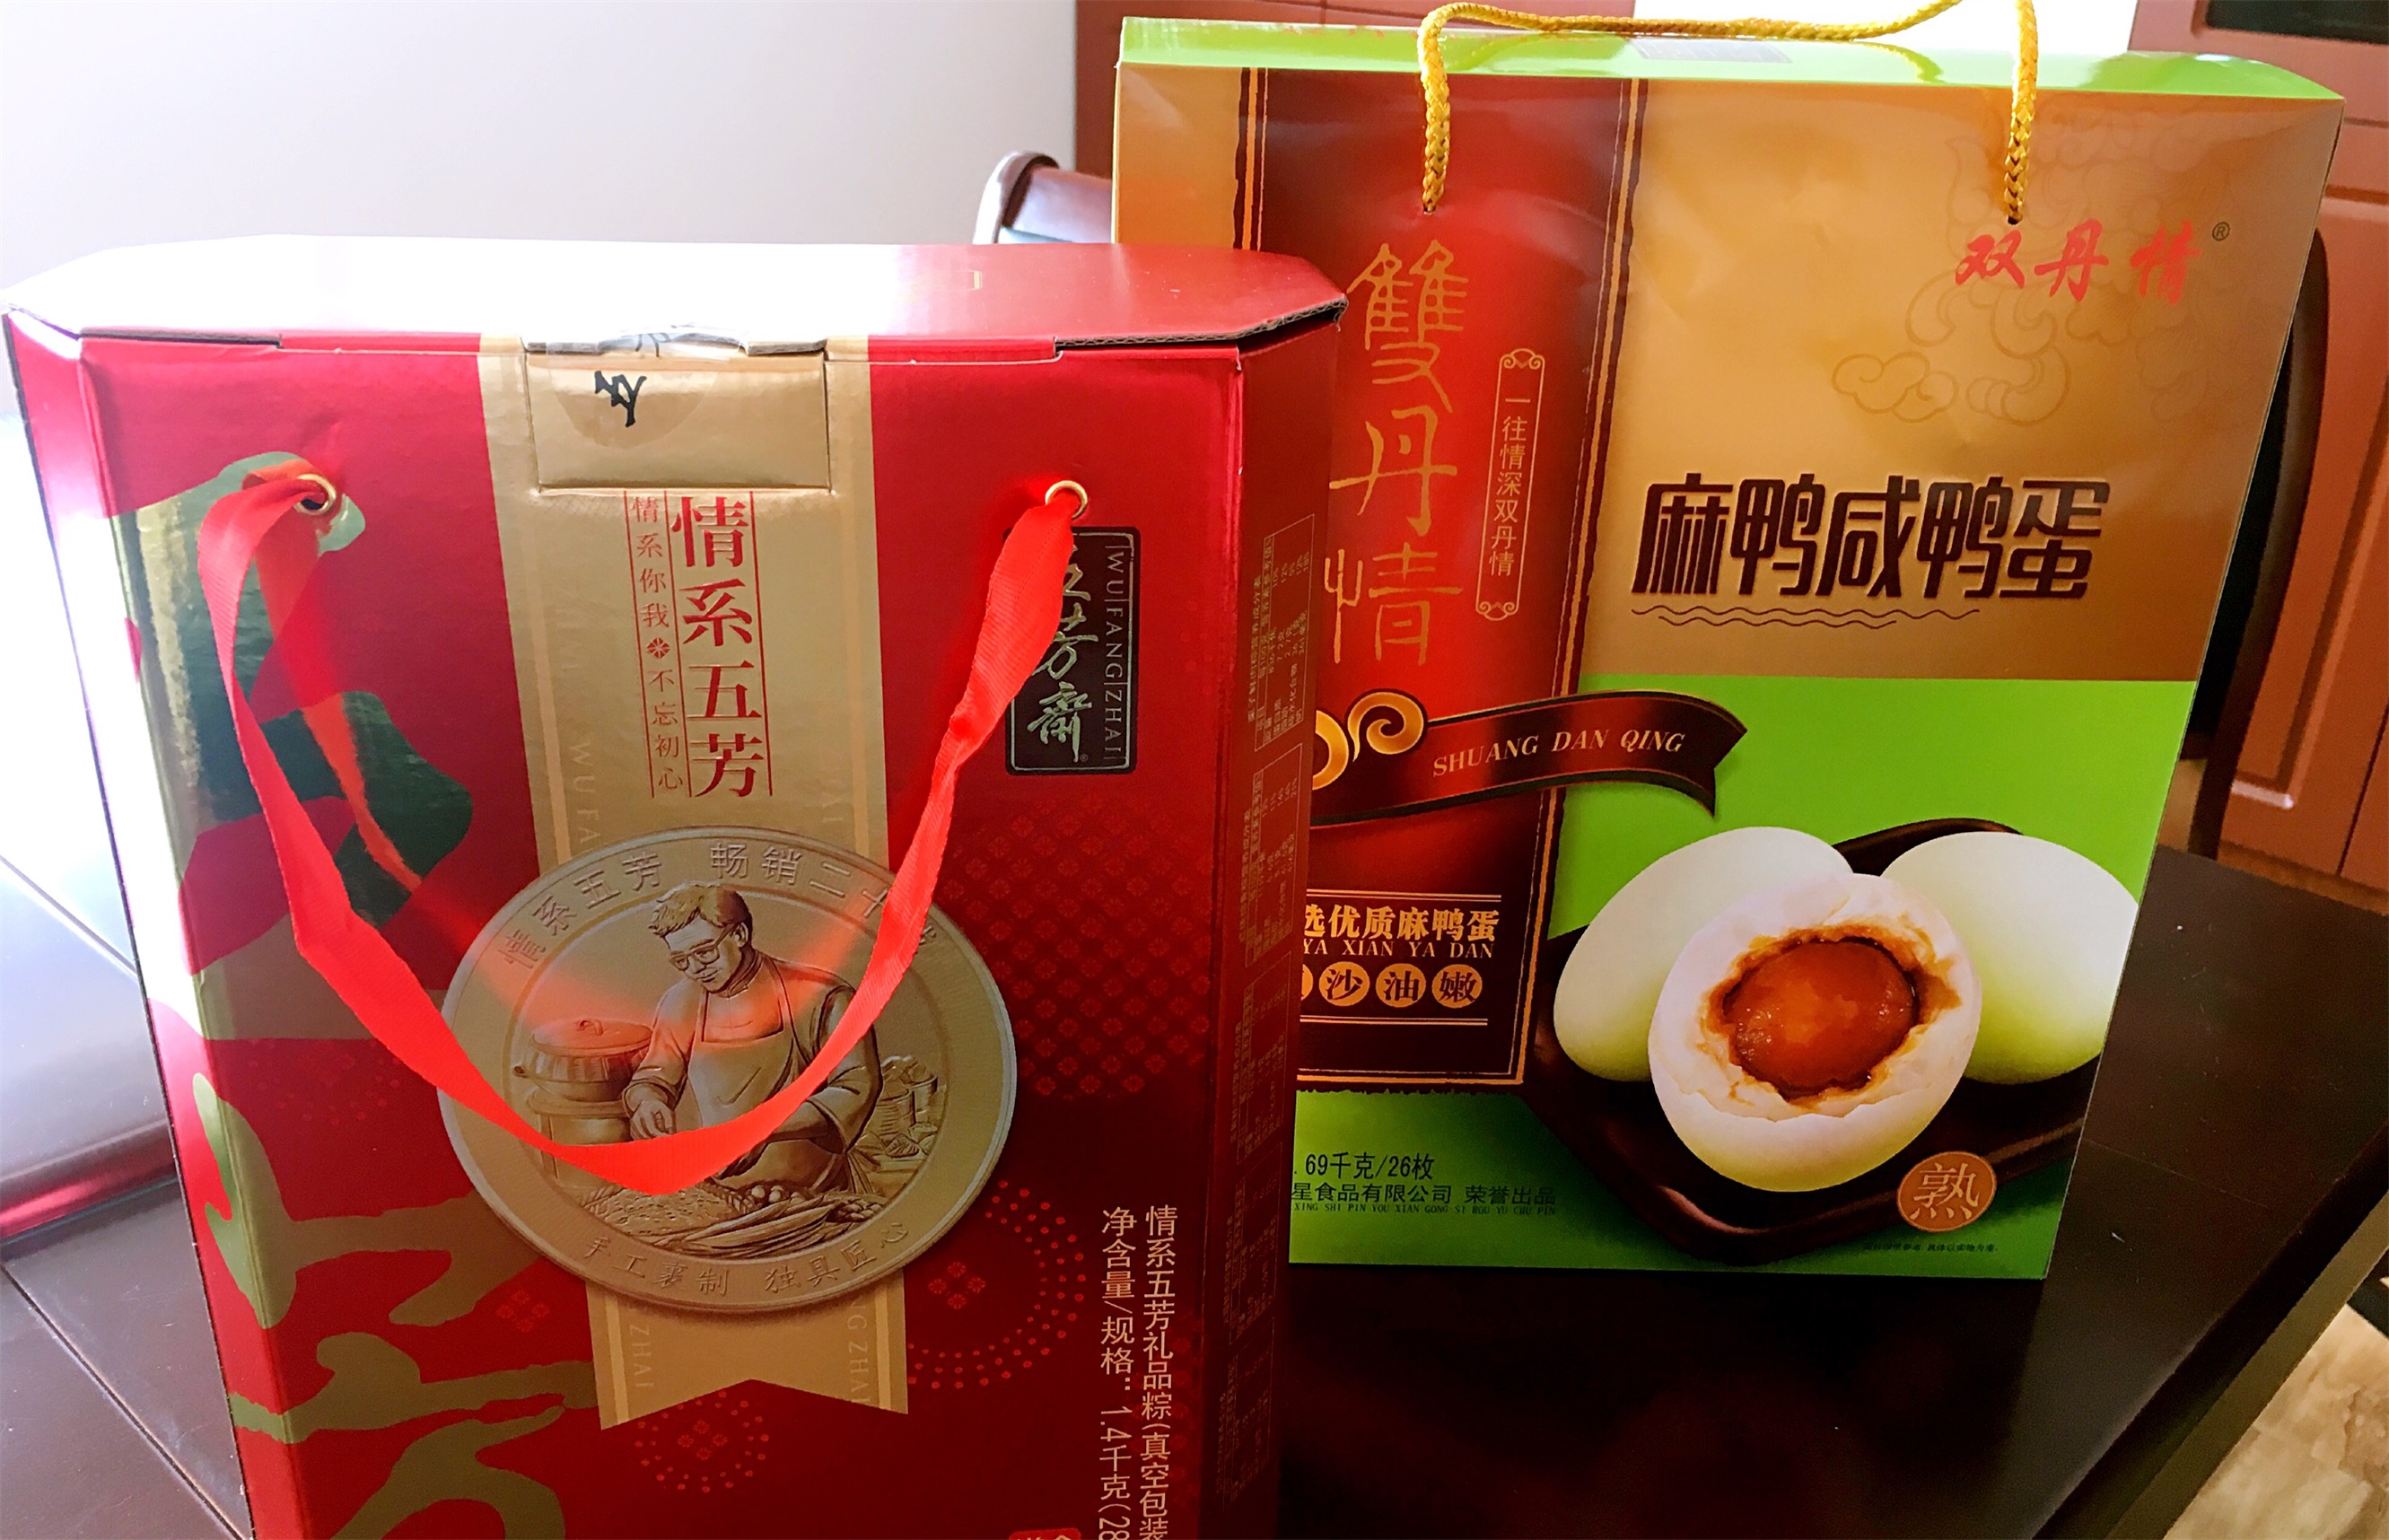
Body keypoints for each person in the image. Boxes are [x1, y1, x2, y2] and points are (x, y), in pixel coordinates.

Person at [621, 882, 880, 1195]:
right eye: (681, 960)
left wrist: (762, 1129)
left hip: (813, 1193)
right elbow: (655, 1075)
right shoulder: (681, 1003)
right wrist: (648, 1100)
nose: (695, 969)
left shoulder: (821, 997)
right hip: (720, 1193)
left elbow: (854, 1088)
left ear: (740, 935)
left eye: (704, 952)